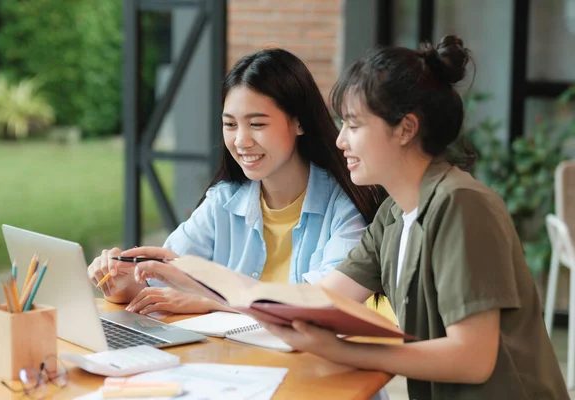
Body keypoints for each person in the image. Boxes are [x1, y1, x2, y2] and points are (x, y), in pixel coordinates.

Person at [221, 37, 567, 398]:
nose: (340, 141)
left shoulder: (462, 204)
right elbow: (321, 299)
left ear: (406, 128)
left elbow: (472, 357)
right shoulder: (393, 215)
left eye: (353, 126)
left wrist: (344, 350)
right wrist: (219, 296)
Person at [87, 48, 393, 318]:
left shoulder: (345, 210)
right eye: (230, 124)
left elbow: (320, 306)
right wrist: (114, 278)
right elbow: (155, 282)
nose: (241, 140)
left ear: (299, 122)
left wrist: (211, 302)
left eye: (257, 124)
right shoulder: (223, 202)